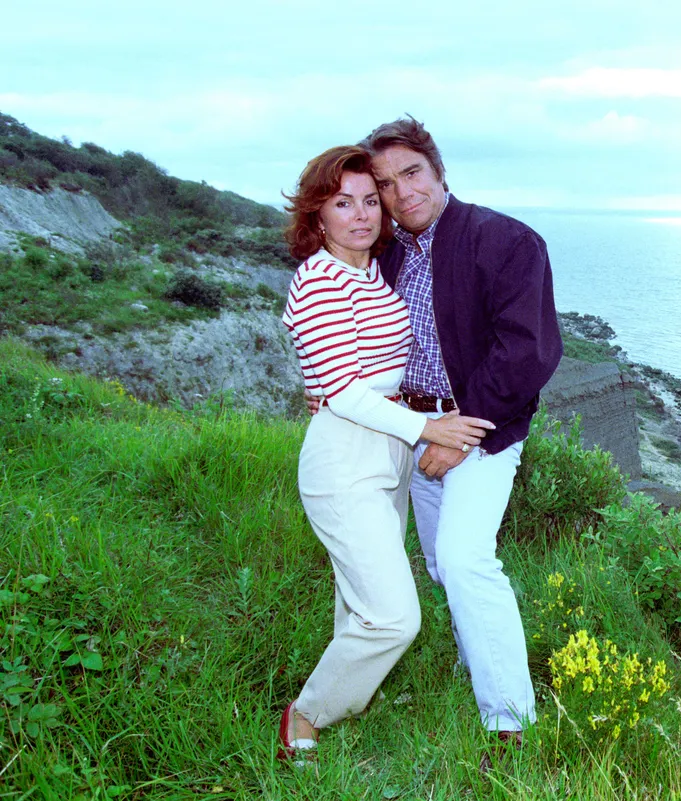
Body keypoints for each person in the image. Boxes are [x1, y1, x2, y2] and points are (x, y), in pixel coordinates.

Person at [277, 145, 496, 763]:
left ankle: (351, 701)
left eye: (370, 201)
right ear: (317, 215)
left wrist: (422, 426)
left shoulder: (370, 273)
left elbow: (387, 373)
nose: (362, 215)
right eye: (342, 203)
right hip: (344, 460)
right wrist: (433, 428)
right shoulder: (319, 280)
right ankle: (310, 712)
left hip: (387, 455)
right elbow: (344, 391)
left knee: (359, 599)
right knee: (395, 618)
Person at [361, 115, 563, 747]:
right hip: (415, 427)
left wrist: (456, 435)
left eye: (412, 173)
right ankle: (475, 657)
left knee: (463, 556)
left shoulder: (505, 241)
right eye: (387, 185)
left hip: (483, 426)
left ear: (438, 170)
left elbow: (526, 354)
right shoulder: (390, 256)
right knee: (441, 565)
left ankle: (511, 727)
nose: (403, 193)